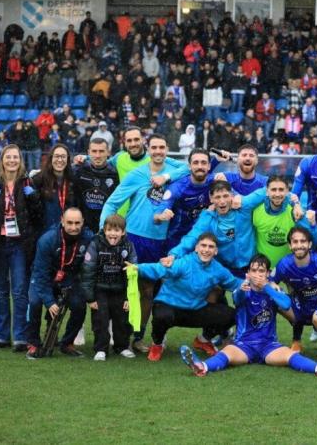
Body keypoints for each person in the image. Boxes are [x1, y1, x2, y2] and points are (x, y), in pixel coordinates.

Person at [180, 254, 317, 377]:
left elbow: (286, 305)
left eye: (261, 271)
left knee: (290, 355)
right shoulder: (242, 289)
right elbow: (237, 299)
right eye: (254, 270)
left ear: (267, 274)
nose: (257, 274)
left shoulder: (272, 291)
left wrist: (267, 287)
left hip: (269, 346)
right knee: (227, 352)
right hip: (244, 345)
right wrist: (246, 287)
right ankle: (201, 366)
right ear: (248, 273)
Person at [99, 134, 184, 353]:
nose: (158, 151)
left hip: (159, 242)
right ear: (148, 149)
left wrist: (165, 176)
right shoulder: (137, 175)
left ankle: (137, 337)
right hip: (135, 239)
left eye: (162, 147)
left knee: (148, 290)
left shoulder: (173, 172)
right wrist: (103, 232)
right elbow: (112, 202)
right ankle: (116, 335)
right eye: (154, 147)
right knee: (127, 289)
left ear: (167, 149)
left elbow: (189, 168)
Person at [128, 233, 239, 361]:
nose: (206, 250)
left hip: (195, 310)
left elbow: (235, 284)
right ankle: (158, 343)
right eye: (203, 245)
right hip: (170, 307)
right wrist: (137, 268)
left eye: (210, 247)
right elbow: (160, 269)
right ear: (196, 248)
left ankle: (202, 340)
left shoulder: (218, 270)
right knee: (162, 316)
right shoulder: (184, 263)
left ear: (215, 251)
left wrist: (257, 284)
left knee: (231, 315)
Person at [0, 144, 41, 352]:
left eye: (15, 157)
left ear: (20, 160)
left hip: (20, 244)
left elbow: (37, 215)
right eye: (8, 157)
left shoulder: (27, 182)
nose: (12, 160)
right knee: (0, 292)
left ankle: (20, 337)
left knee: (20, 292)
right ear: (2, 160)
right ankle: (1, 336)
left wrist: (32, 197)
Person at [25, 207, 93, 358]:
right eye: (69, 222)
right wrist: (50, 301)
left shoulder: (88, 238)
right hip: (45, 278)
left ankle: (67, 343)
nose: (73, 227)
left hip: (69, 279)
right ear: (62, 221)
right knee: (35, 302)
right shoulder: (47, 240)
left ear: (82, 222)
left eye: (77, 223)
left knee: (79, 305)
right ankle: (33, 344)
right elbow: (40, 273)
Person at [80, 214, 137, 361]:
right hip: (100, 290)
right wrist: (90, 297)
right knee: (100, 320)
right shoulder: (95, 244)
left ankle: (122, 346)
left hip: (120, 290)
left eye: (117, 230)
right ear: (104, 230)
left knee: (122, 320)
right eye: (110, 230)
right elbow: (88, 270)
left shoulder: (128, 246)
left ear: (123, 232)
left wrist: (128, 298)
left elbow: (132, 274)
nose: (113, 233)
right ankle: (101, 349)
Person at [155, 149, 222, 250]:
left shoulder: (215, 180)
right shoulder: (177, 188)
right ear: (189, 166)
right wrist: (161, 216)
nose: (200, 166)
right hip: (177, 241)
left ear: (209, 166)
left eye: (203, 163)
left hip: (204, 242)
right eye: (196, 163)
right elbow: (156, 217)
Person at [251, 176, 317, 268]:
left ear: (287, 192)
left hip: (289, 270)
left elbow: (313, 241)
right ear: (267, 192)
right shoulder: (256, 211)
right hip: (264, 270)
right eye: (273, 190)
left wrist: (313, 225)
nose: (277, 194)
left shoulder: (296, 213)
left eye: (281, 190)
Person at [72, 138, 119, 233]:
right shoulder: (79, 170)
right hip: (82, 229)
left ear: (108, 152)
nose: (97, 155)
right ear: (88, 152)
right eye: (94, 151)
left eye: (101, 151)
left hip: (106, 229)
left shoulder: (116, 174)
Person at [32, 144, 77, 235]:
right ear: (51, 158)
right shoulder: (39, 179)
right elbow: (34, 209)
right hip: (44, 233)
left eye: (63, 157)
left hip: (67, 233)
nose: (60, 160)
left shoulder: (73, 180)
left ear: (68, 159)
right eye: (56, 156)